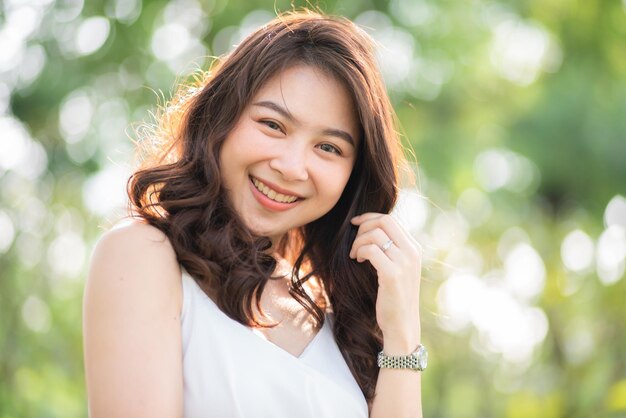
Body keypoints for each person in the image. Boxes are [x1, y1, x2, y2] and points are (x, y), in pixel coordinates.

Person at [83, 10, 425, 418]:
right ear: (221, 118)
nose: (292, 167)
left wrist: (401, 333)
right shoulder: (143, 255)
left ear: (353, 176)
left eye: (328, 148)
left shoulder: (337, 318)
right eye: (273, 125)